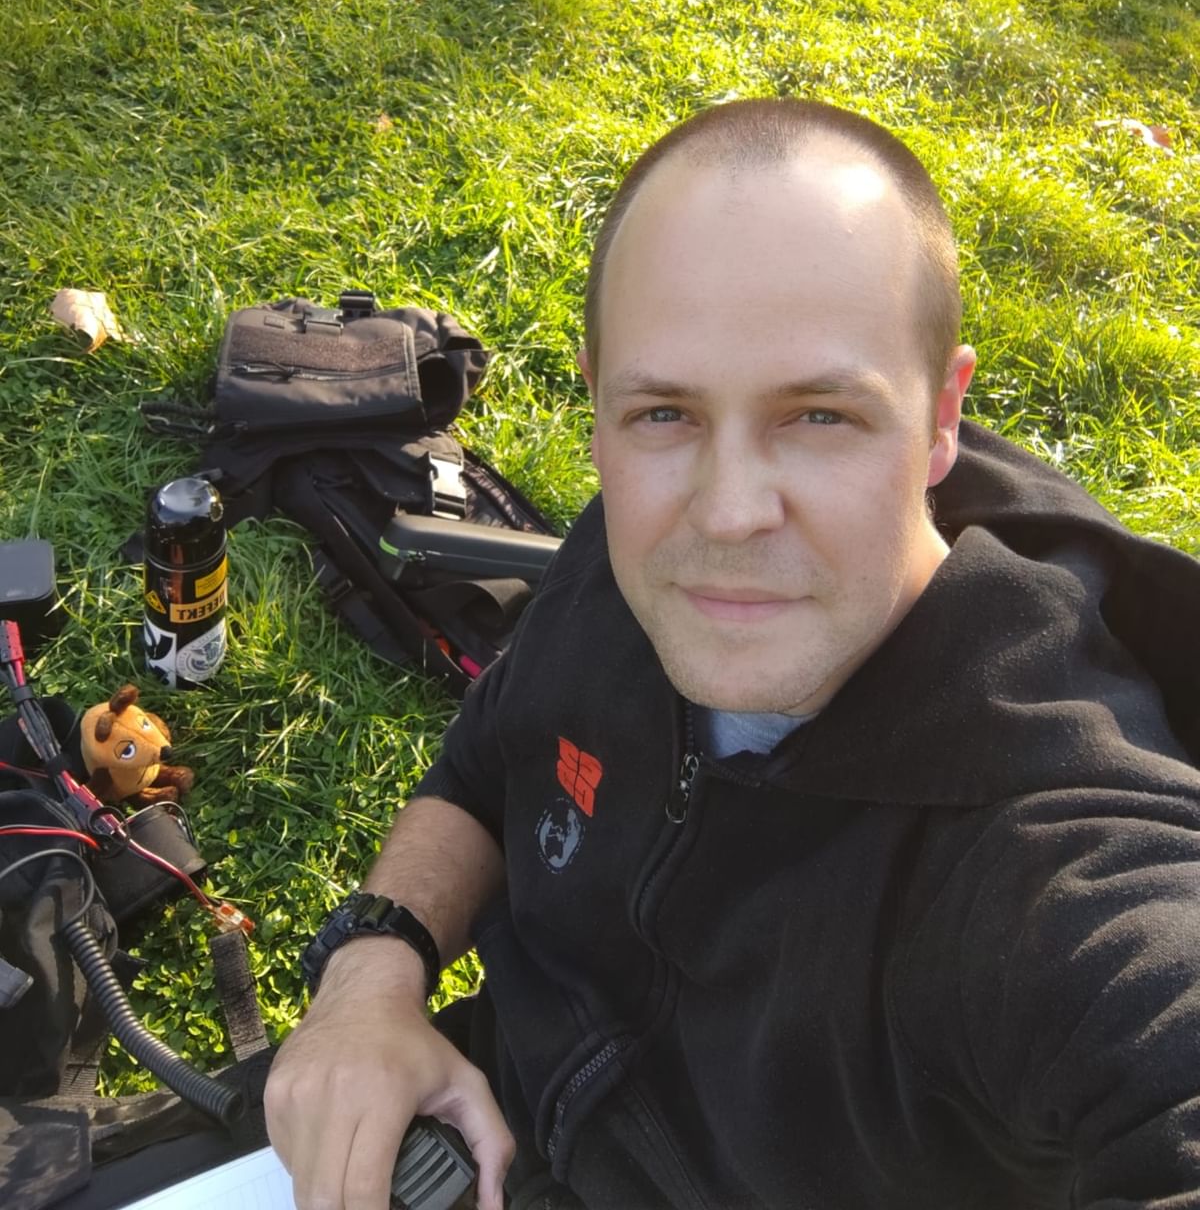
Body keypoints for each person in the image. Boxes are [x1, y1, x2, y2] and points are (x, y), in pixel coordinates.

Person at [264, 98, 1200, 1210]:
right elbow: (486, 762)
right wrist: (375, 971)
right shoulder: (629, 554)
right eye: (665, 413)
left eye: (819, 417)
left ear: (943, 416)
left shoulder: (1056, 863)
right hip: (476, 1113)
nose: (728, 512)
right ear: (601, 405)